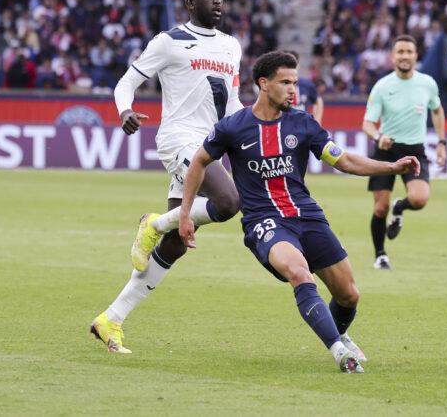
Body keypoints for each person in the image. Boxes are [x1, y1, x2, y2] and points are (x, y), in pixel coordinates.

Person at [145, 51, 421, 373]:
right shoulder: (233, 127)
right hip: (264, 222)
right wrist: (185, 213)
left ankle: (340, 333)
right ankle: (339, 353)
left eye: (295, 82)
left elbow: (344, 161)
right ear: (264, 84)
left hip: (307, 215)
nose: (294, 89)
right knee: (299, 273)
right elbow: (199, 162)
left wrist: (391, 165)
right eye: (285, 82)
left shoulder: (303, 123)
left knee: (348, 295)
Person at [89, 0, 243, 354]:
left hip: (212, 142)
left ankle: (110, 319)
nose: (218, 2)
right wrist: (124, 109)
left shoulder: (231, 46)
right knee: (228, 203)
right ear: (190, 4)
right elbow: (126, 82)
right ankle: (152, 223)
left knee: (173, 246)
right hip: (179, 140)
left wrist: (247, 137)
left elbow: (233, 103)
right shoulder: (168, 41)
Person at [362, 35, 446, 270]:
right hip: (386, 150)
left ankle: (400, 207)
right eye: (400, 52)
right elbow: (367, 124)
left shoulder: (427, 83)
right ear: (393, 56)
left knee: (419, 200)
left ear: (415, 55)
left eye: (409, 51)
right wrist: (379, 137)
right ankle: (380, 255)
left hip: (414, 150)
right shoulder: (382, 86)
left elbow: (437, 110)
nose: (405, 56)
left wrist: (442, 142)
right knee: (380, 208)